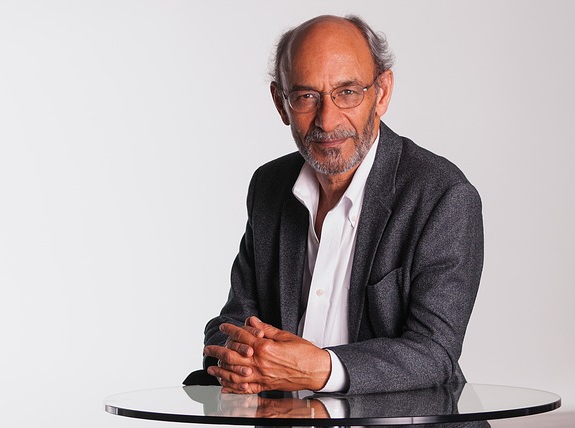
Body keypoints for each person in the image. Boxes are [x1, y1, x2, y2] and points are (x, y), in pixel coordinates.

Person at [202, 14, 484, 396]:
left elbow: (434, 354)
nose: (328, 119)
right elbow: (233, 321)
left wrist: (320, 369)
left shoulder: (442, 196)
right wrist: (245, 359)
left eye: (347, 92)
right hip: (286, 417)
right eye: (306, 96)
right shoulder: (269, 187)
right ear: (281, 103)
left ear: (382, 93)